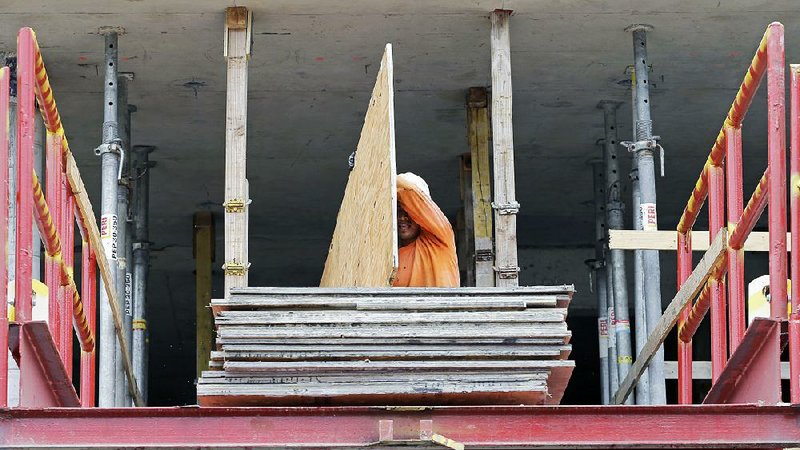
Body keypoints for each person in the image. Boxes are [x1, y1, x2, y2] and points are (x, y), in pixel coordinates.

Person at [392, 172, 459, 287]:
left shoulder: (440, 238)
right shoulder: (392, 259)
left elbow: (409, 192)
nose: (402, 217)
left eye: (408, 210)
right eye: (399, 210)